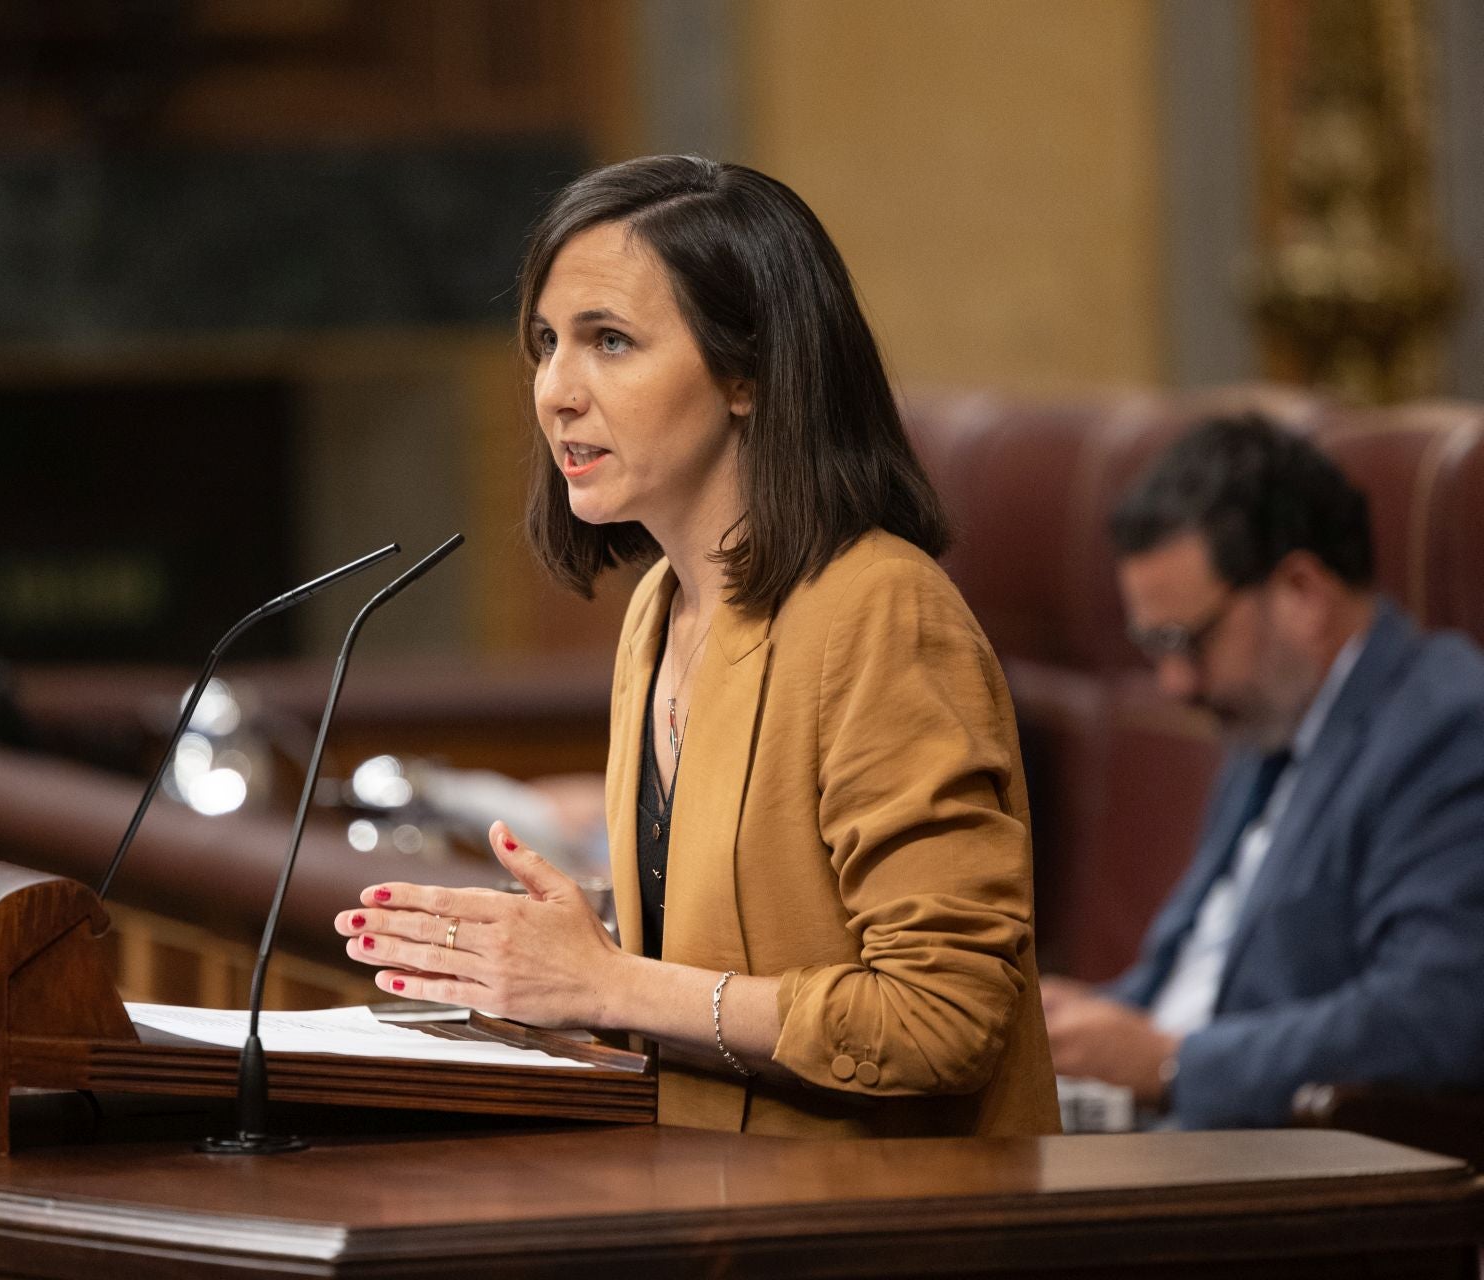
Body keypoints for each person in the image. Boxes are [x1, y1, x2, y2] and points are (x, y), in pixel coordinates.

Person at [332, 155, 1059, 1138]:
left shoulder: (883, 610)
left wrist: (610, 981)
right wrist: (541, 951)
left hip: (886, 1226)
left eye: (611, 341)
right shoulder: (660, 607)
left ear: (749, 372)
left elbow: (943, 1016)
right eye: (547, 343)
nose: (556, 390)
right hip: (710, 1204)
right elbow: (744, 934)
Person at [1042, 416, 1484, 1129]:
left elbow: (1436, 1011)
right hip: (1162, 1132)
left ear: (1301, 592)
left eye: (1186, 640)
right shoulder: (1270, 720)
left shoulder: (1448, 728)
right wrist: (1077, 1024)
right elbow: (1194, 985)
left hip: (1269, 1169)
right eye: (1153, 645)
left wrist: (1168, 1063)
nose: (1175, 683)